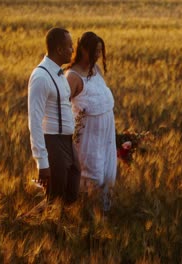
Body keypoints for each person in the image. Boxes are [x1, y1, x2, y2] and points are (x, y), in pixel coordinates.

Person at [28, 27, 80, 204]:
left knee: (71, 193)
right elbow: (34, 120)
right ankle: (41, 228)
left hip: (67, 141)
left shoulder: (60, 74)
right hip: (53, 141)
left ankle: (61, 229)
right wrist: (42, 162)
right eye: (69, 46)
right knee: (55, 197)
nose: (73, 50)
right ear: (59, 49)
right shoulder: (41, 77)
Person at [66, 31, 116, 211]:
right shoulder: (72, 76)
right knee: (93, 176)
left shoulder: (96, 69)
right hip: (88, 135)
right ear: (84, 50)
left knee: (107, 173)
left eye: (100, 51)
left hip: (105, 133)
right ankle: (87, 214)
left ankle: (103, 216)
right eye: (95, 51)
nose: (98, 55)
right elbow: (62, 107)